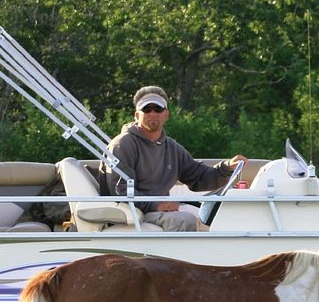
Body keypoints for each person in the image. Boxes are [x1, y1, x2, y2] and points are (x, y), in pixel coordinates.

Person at [100, 86, 246, 231]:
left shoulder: (171, 147)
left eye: (157, 109)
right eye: (146, 109)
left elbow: (198, 176)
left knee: (220, 218)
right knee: (186, 220)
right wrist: (156, 205)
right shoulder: (122, 144)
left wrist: (227, 167)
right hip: (134, 215)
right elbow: (121, 190)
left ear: (166, 115)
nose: (152, 113)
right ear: (137, 115)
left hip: (155, 213)